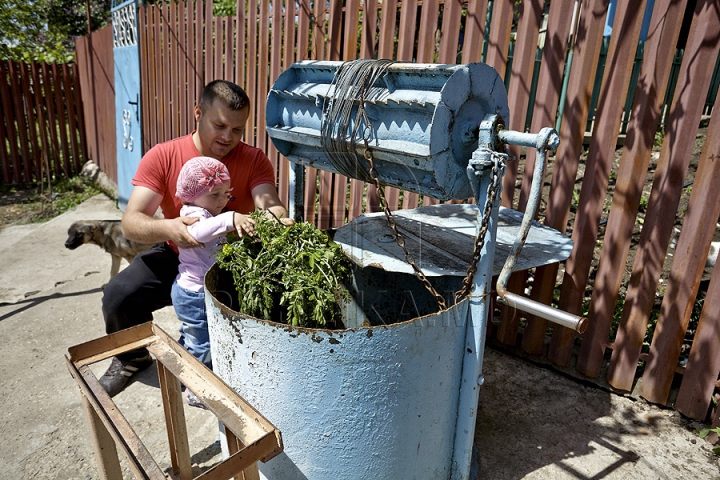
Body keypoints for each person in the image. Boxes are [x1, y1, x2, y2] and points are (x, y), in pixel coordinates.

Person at [99, 80, 291, 397]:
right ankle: (131, 358)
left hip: (233, 259)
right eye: (219, 125)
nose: (228, 137)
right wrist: (170, 228)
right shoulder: (163, 156)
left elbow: (268, 202)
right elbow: (131, 222)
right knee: (119, 296)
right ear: (197, 113)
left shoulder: (253, 159)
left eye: (238, 130)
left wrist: (276, 218)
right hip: (177, 252)